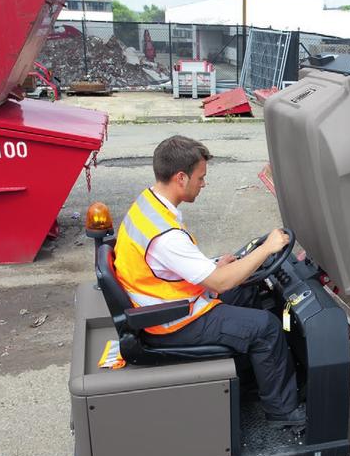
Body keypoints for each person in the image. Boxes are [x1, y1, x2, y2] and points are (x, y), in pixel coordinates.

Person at [112, 135, 305, 426]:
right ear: (180, 177)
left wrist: (215, 265)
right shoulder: (166, 236)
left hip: (165, 302)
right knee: (266, 328)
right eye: (201, 178)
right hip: (172, 321)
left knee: (249, 293)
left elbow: (170, 268)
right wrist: (267, 248)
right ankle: (283, 412)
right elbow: (221, 283)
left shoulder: (149, 205)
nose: (203, 184)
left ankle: (258, 376)